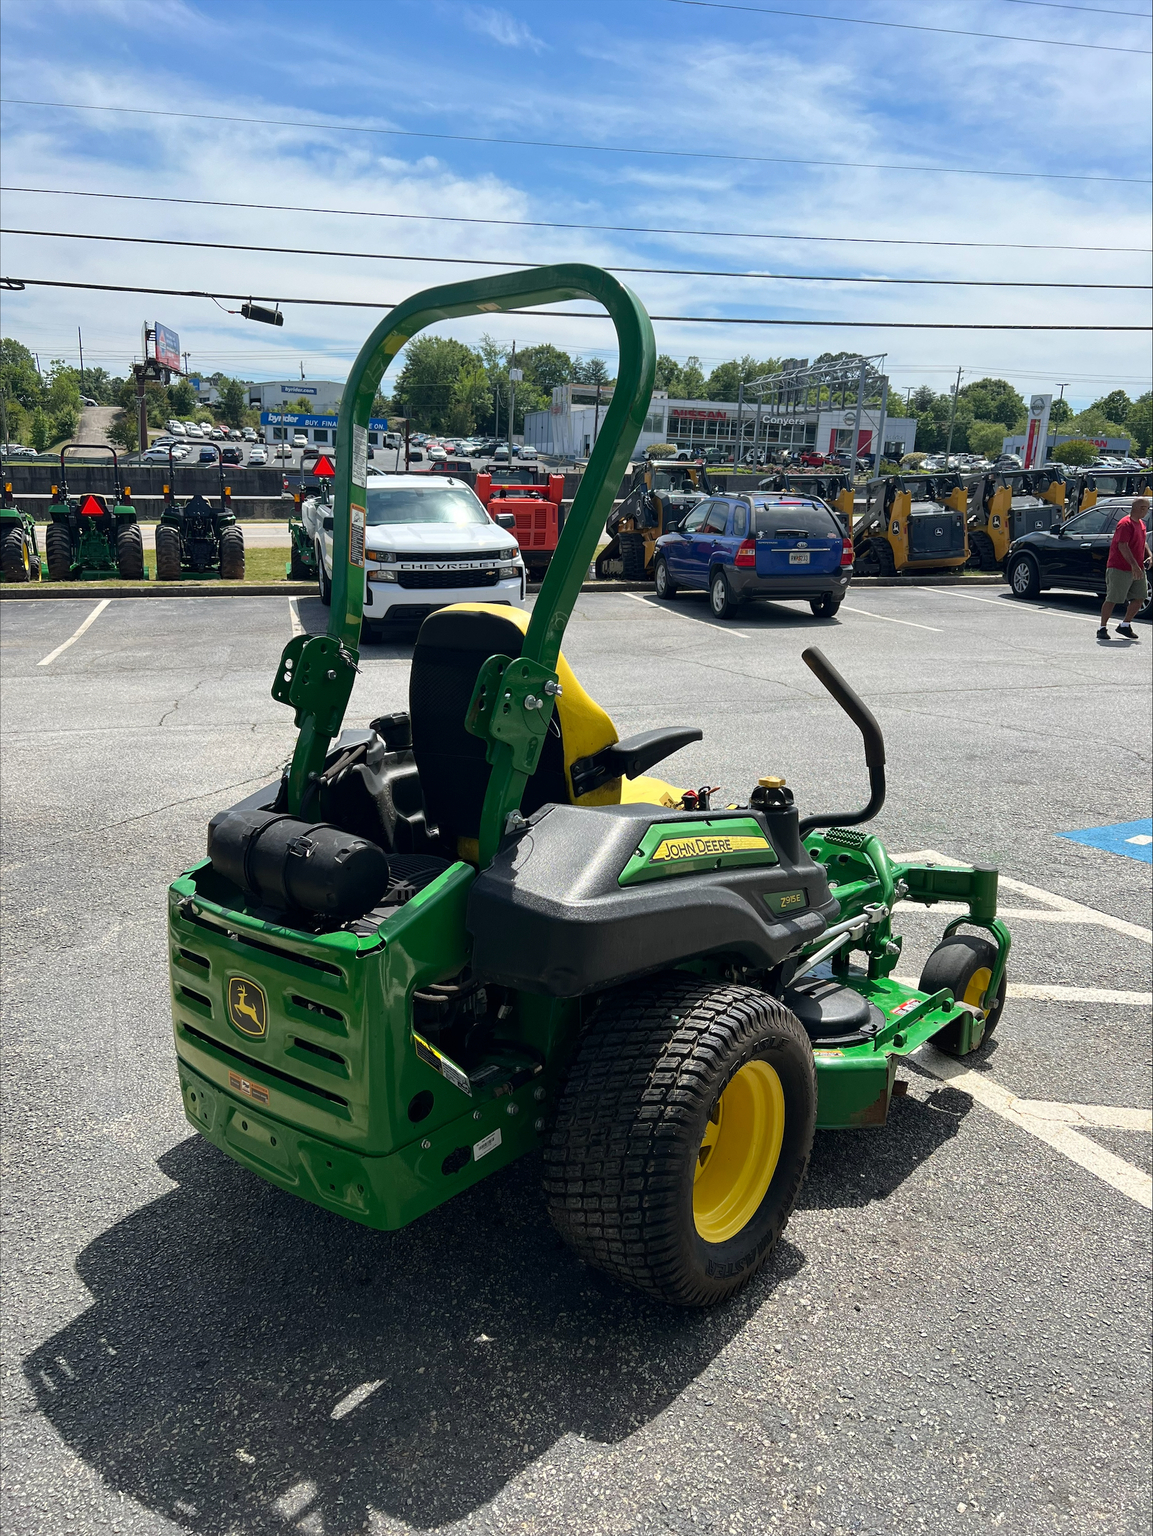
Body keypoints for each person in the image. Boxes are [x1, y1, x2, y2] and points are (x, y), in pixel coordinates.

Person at [1098, 497, 1150, 641]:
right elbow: (1122, 545)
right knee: (1113, 598)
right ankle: (1102, 628)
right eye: (1145, 508)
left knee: (1140, 596)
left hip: (1138, 568)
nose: (1147, 510)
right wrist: (1134, 565)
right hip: (1119, 568)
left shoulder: (1141, 524)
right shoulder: (1125, 524)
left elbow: (1143, 541)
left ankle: (1125, 625)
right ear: (1139, 508)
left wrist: (1150, 555)